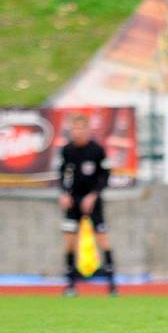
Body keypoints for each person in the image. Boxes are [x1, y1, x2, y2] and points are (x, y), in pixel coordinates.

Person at [59, 114, 117, 297]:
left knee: (102, 238)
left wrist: (93, 195)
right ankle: (70, 285)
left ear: (88, 130)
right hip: (73, 201)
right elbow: (60, 174)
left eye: (81, 129)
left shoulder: (97, 150)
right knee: (69, 241)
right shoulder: (66, 151)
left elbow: (105, 175)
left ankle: (112, 284)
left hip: (93, 200)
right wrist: (64, 193)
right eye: (74, 129)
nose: (78, 132)